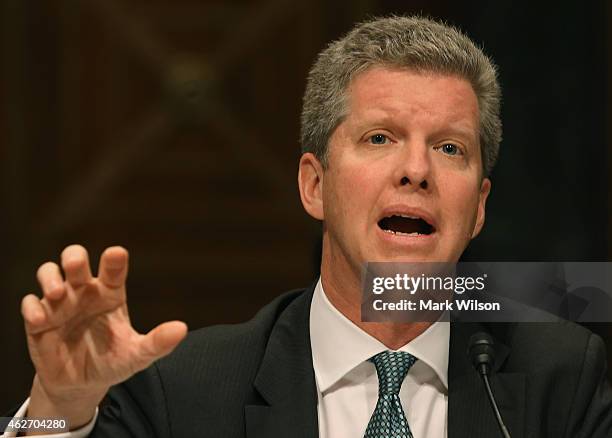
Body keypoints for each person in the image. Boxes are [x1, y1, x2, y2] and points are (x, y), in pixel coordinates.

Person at [4, 15, 612, 438]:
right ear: (314, 185)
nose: (418, 170)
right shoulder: (185, 390)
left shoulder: (562, 378)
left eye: (450, 148)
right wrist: (60, 407)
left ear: (478, 207)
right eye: (381, 138)